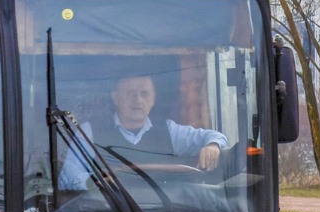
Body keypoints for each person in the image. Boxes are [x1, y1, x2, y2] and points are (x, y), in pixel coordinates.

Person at [59, 74, 227, 190]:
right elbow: (67, 178)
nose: (138, 100)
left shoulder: (169, 130)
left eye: (144, 94)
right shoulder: (90, 131)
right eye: (131, 93)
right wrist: (99, 182)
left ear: (153, 99)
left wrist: (213, 145)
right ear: (116, 98)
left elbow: (214, 136)